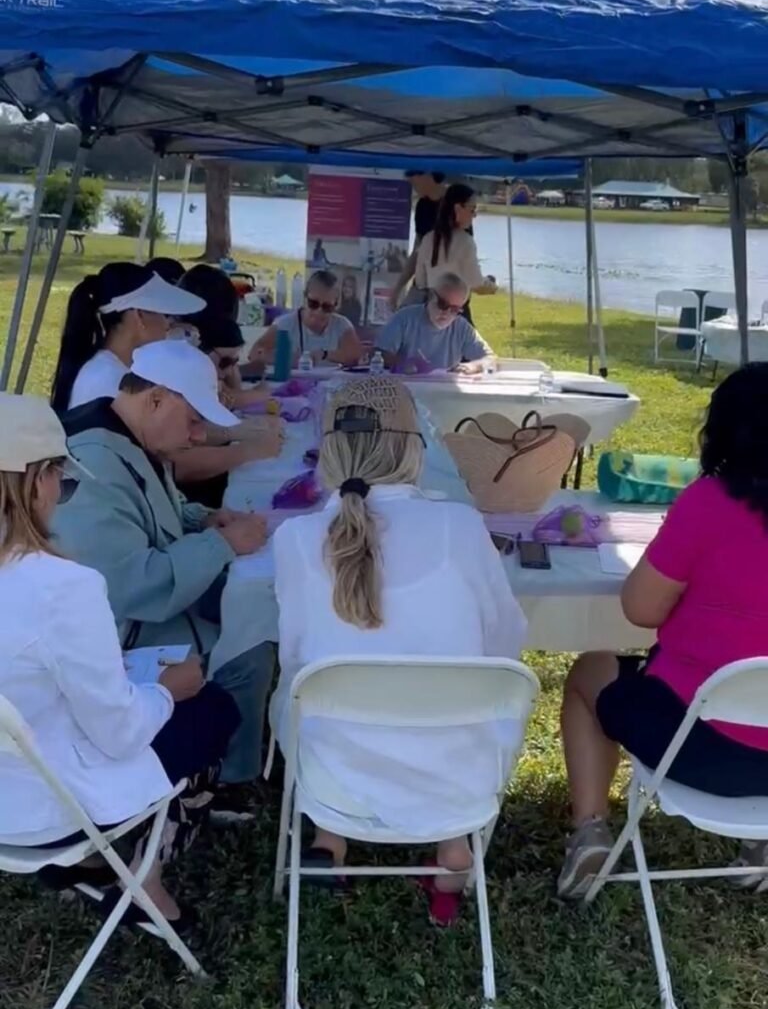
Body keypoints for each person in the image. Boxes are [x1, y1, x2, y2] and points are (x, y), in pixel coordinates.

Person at [272, 377, 528, 926]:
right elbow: (505, 640)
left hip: (334, 778)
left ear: (330, 448)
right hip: (457, 777)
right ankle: (452, 854)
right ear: (415, 447)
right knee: (466, 696)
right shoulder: (461, 527)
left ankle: (329, 839)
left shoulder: (293, 538)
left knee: (304, 693)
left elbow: (294, 658)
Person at [0, 392, 240, 924]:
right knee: (213, 708)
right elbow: (119, 732)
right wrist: (165, 691)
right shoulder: (65, 586)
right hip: (48, 809)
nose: (61, 496)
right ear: (36, 482)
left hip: (11, 785)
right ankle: (143, 879)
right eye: (62, 481)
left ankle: (94, 865)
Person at [557, 363, 768, 901]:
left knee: (590, 671)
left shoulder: (710, 503)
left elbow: (640, 608)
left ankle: (590, 832)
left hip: (696, 744)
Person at [54, 341, 274, 804]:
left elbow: (151, 511)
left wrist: (201, 518)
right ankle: (225, 783)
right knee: (247, 645)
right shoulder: (94, 461)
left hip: (132, 616)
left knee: (247, 607)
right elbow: (130, 586)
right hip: (121, 635)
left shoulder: (120, 434)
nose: (198, 436)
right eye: (193, 420)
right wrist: (222, 543)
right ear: (155, 399)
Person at [51, 263, 206, 414]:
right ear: (139, 316)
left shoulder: (109, 368)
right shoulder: (111, 379)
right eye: (164, 314)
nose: (168, 324)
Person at [171, 314, 284, 510]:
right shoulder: (175, 388)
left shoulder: (204, 377)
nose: (229, 370)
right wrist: (249, 449)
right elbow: (177, 465)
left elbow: (230, 397)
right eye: (224, 362)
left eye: (235, 362)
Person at [375, 273, 493, 372]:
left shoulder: (462, 327)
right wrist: (404, 364)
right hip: (407, 386)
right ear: (430, 296)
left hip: (443, 389)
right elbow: (379, 353)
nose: (446, 313)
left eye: (454, 309)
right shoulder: (404, 318)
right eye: (442, 304)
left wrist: (473, 366)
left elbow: (491, 359)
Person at [411, 184, 497, 320]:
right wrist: (491, 286)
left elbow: (420, 281)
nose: (474, 215)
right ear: (458, 208)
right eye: (472, 209)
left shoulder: (428, 239)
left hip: (429, 313)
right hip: (456, 313)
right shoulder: (465, 241)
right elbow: (477, 283)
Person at [248, 270, 363, 368]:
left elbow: (355, 357)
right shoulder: (284, 325)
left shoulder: (342, 325)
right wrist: (289, 359)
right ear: (304, 297)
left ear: (336, 305)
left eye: (327, 307)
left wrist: (324, 354)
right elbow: (254, 354)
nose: (319, 311)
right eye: (313, 304)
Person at [389, 172, 447, 309]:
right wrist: (398, 288)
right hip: (422, 283)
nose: (409, 181)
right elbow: (417, 251)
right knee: (403, 316)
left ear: (428, 175)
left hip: (447, 286)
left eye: (412, 176)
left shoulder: (456, 205)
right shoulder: (423, 206)